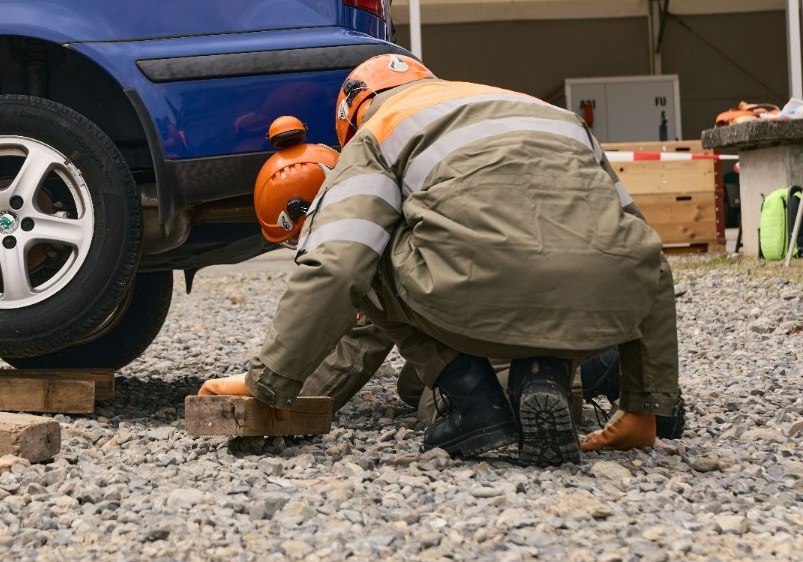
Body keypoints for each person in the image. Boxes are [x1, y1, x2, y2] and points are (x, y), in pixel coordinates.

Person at [201, 54, 681, 464]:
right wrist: (645, 403)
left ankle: (473, 401)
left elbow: (339, 265)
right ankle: (553, 376)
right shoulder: (550, 113)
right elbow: (648, 255)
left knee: (369, 241)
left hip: (479, 296)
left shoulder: (379, 131)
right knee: (564, 251)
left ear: (353, 114)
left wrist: (265, 385)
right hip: (604, 299)